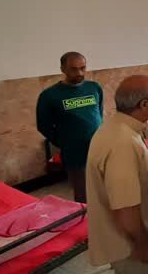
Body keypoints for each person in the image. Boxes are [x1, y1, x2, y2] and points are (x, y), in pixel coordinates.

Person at [85, 76, 148, 274]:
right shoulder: (123, 143)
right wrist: (144, 244)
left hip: (121, 243)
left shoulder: (114, 128)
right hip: (132, 246)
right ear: (144, 104)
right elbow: (126, 207)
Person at [36, 52, 103, 203]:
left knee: (106, 189)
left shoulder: (94, 88)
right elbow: (43, 125)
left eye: (83, 68)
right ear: (63, 69)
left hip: (99, 148)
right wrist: (65, 142)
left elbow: (99, 114)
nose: (79, 73)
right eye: (73, 69)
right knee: (84, 195)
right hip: (75, 154)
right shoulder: (49, 95)